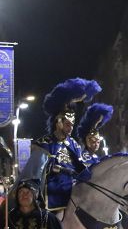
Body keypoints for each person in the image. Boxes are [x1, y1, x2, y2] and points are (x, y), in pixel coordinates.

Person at [21, 78, 100, 216]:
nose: (71, 128)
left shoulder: (74, 144)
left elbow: (81, 166)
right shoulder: (44, 143)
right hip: (52, 192)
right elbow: (35, 171)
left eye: (72, 125)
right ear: (58, 122)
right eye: (68, 124)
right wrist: (53, 168)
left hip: (73, 191)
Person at [75, 102, 114, 166]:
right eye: (93, 141)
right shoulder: (83, 157)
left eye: (98, 142)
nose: (96, 144)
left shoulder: (97, 158)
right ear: (87, 141)